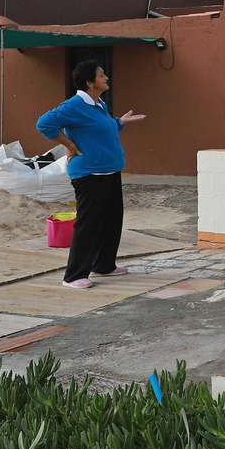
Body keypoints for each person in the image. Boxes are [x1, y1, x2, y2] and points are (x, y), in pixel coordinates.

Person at [37, 60, 146, 289]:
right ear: (89, 83)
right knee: (89, 224)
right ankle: (74, 275)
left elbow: (98, 130)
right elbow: (44, 124)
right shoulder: (74, 105)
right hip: (89, 173)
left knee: (111, 220)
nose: (106, 77)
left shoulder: (98, 104)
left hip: (110, 169)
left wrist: (119, 122)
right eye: (101, 75)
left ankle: (104, 265)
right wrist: (68, 144)